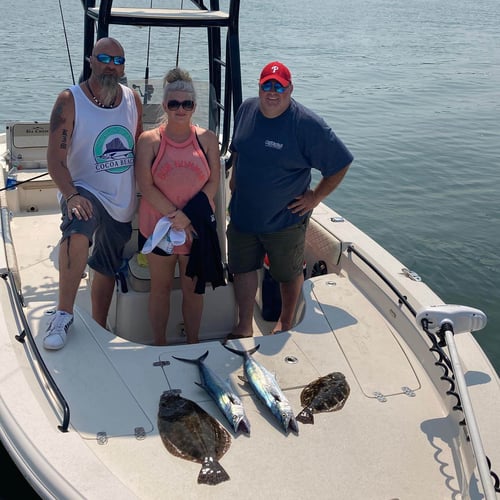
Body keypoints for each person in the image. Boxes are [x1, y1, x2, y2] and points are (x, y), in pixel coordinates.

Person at [226, 61, 353, 339]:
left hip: (284, 220)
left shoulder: (307, 124)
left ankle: (284, 322)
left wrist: (315, 197)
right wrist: (234, 176)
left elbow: (341, 163)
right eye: (266, 85)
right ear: (259, 87)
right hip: (243, 213)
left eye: (279, 86)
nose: (272, 92)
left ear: (290, 88)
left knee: (288, 273)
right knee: (243, 269)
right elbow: (238, 147)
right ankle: (243, 324)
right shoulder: (246, 108)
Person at [44, 37, 143, 350]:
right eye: (104, 58)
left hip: (122, 197)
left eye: (118, 61)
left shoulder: (133, 99)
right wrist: (71, 195)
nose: (111, 66)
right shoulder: (70, 100)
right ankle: (63, 314)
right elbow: (55, 160)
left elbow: (140, 148)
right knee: (78, 227)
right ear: (91, 60)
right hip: (84, 187)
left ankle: (99, 325)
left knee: (106, 263)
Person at [135, 68, 221, 346]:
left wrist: (187, 218)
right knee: (159, 289)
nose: (180, 109)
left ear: (195, 106)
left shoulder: (207, 140)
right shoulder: (149, 141)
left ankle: (193, 342)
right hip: (159, 231)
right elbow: (145, 186)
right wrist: (175, 217)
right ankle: (159, 343)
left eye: (187, 104)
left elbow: (213, 185)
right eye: (174, 104)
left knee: (193, 291)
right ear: (164, 106)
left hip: (195, 231)